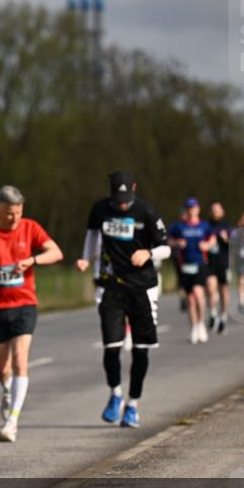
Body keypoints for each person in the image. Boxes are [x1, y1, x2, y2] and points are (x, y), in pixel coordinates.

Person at [0, 185, 63, 443]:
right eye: (9, 214)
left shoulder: (31, 228)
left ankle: (12, 422)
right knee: (1, 368)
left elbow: (56, 252)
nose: (14, 218)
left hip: (24, 305)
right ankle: (8, 390)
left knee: (20, 360)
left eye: (18, 213)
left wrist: (33, 261)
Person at [76, 171, 170, 428]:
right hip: (111, 286)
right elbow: (92, 237)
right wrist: (87, 258)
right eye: (117, 198)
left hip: (142, 288)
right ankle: (115, 394)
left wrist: (148, 253)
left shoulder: (146, 212)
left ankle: (133, 405)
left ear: (135, 189)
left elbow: (166, 247)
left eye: (125, 199)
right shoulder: (100, 209)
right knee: (111, 346)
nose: (121, 204)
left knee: (141, 349)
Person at [168, 198, 215, 344]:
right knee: (190, 298)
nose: (191, 210)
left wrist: (207, 245)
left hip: (200, 263)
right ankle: (194, 327)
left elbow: (213, 239)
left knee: (198, 292)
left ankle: (201, 324)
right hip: (185, 265)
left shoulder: (204, 225)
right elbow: (167, 240)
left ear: (198, 209)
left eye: (193, 208)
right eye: (188, 208)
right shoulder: (178, 226)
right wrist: (177, 243)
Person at [205, 201, 232, 333]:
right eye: (213, 209)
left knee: (224, 291)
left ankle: (224, 315)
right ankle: (213, 313)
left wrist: (226, 239)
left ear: (223, 211)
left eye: (217, 209)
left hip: (223, 263)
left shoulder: (227, 226)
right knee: (211, 288)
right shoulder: (206, 225)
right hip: (210, 263)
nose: (215, 211)